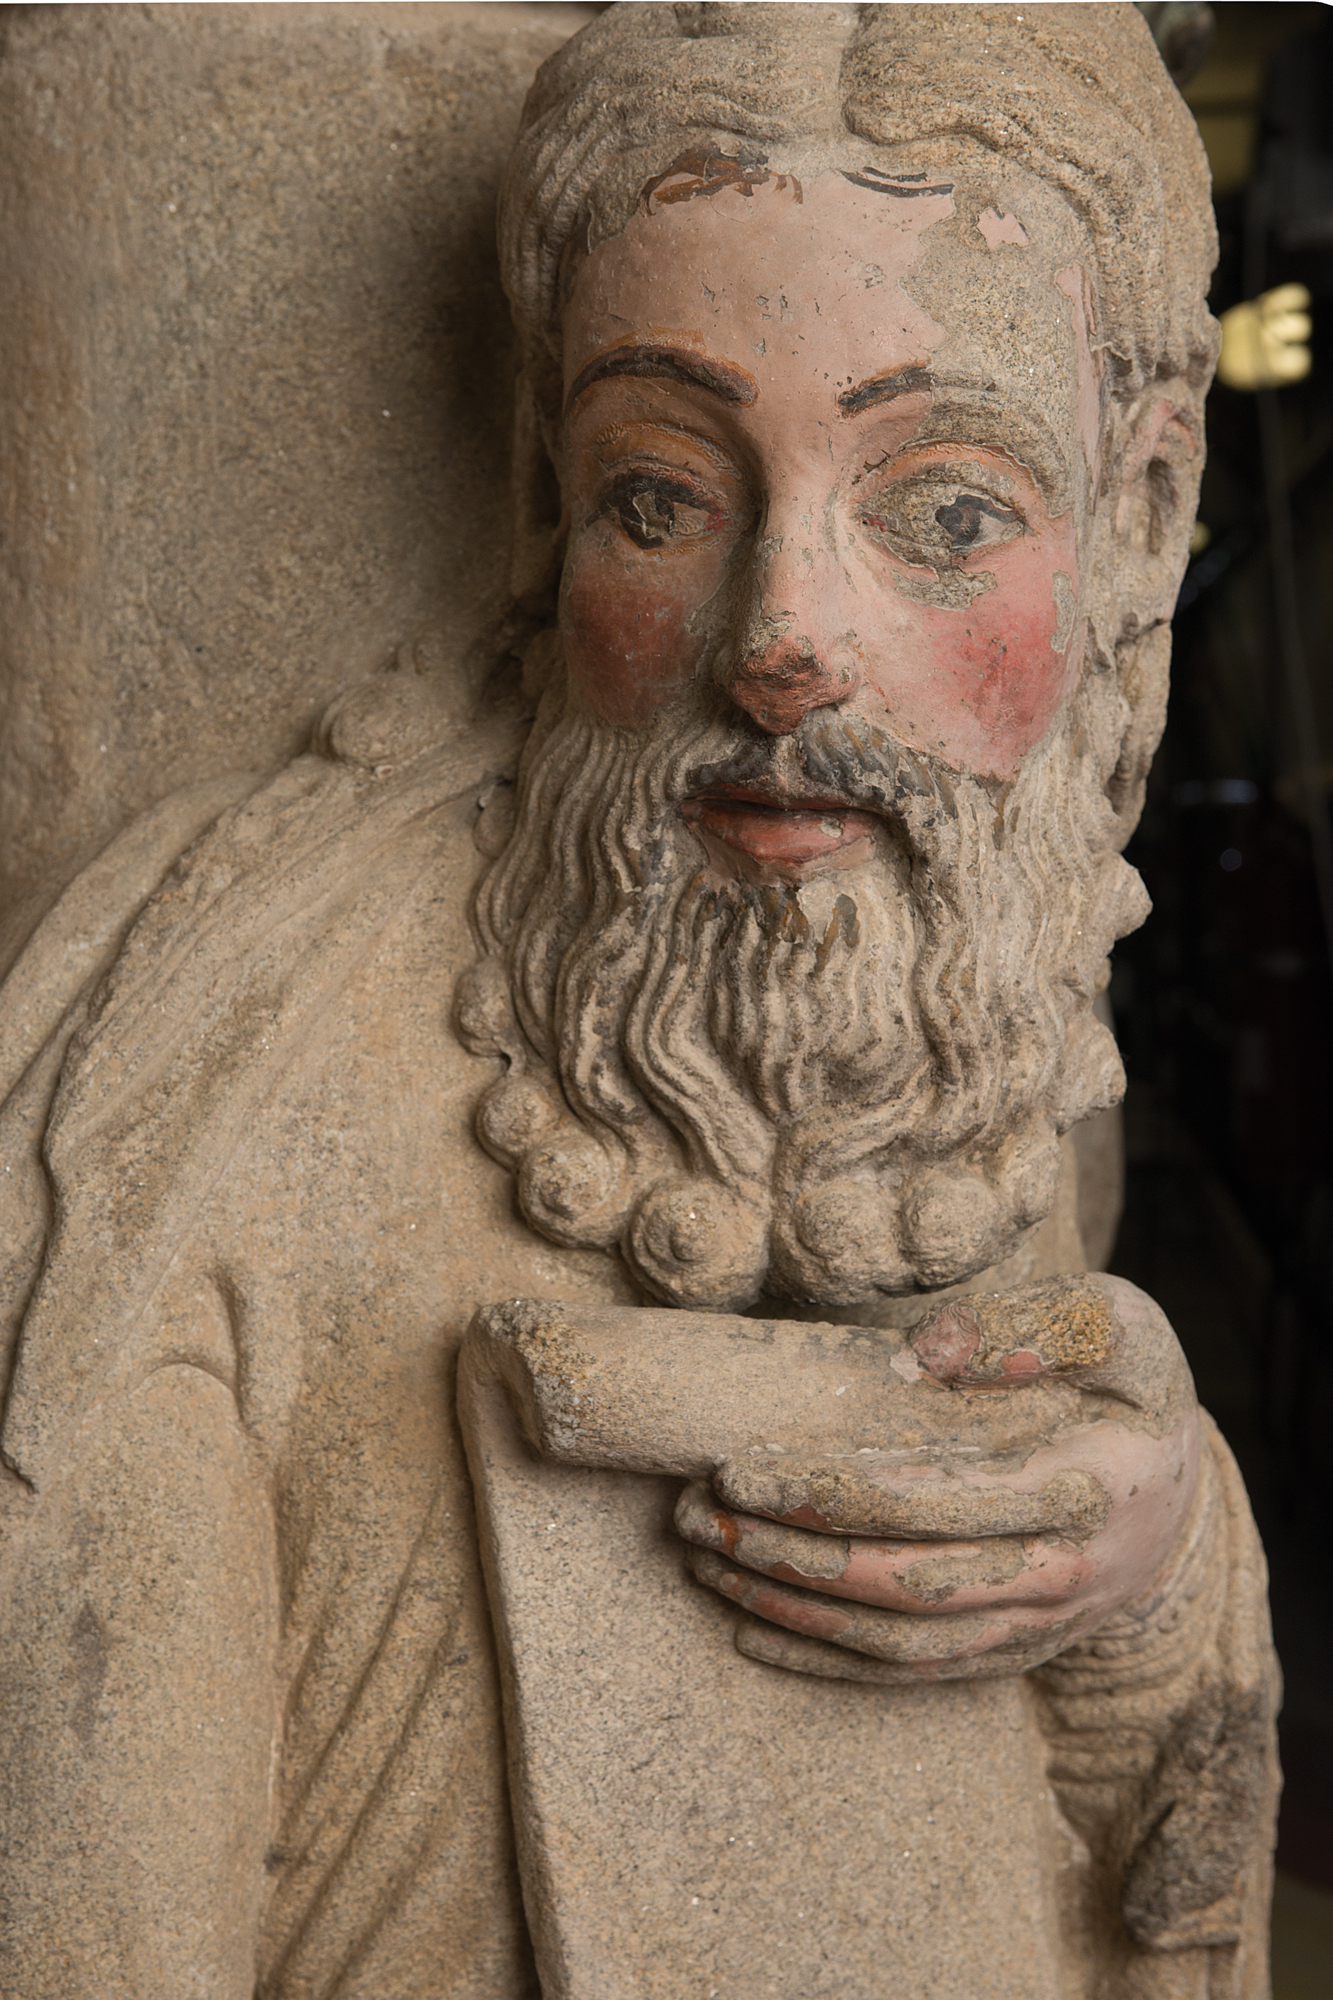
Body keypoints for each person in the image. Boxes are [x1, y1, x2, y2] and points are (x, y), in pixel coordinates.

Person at [0, 6, 1278, 1996]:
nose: (781, 642)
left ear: (1136, 519)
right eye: (661, 496)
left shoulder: (979, 983)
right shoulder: (209, 1095)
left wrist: (1157, 1570)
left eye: (946, 512)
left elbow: (1127, 1871)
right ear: (546, 499)